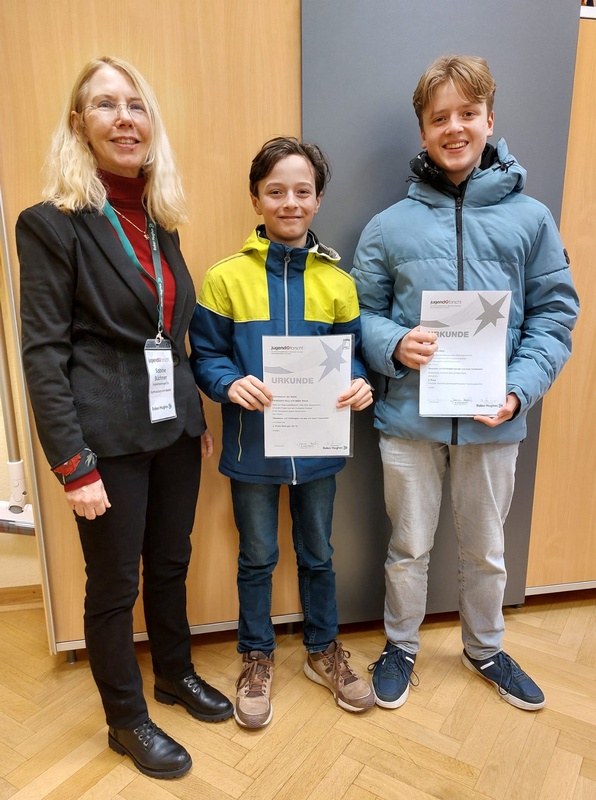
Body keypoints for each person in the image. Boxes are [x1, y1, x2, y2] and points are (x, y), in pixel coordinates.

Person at [16, 56, 233, 780]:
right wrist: (72, 465)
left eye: (135, 105)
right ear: (80, 124)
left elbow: (171, 333)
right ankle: (126, 719)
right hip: (104, 440)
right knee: (114, 586)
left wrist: (196, 416)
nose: (124, 118)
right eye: (106, 105)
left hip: (174, 432)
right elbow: (43, 355)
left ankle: (174, 673)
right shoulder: (50, 225)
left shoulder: (158, 221)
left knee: (170, 562)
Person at [351, 55, 579, 712]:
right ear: (423, 130)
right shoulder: (388, 226)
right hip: (408, 420)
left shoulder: (532, 219)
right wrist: (394, 344)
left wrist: (518, 390)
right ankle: (400, 646)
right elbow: (356, 314)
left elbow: (555, 314)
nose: (454, 127)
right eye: (439, 117)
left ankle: (485, 648)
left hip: (493, 419)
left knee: (486, 550)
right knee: (407, 547)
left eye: (467, 114)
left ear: (489, 120)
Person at [189, 137, 375, 728]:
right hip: (253, 451)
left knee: (319, 554)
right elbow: (205, 355)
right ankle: (256, 656)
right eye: (276, 191)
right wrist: (227, 383)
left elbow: (353, 356)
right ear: (256, 198)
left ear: (318, 200)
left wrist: (361, 382)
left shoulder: (338, 282)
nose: (289, 202)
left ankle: (323, 650)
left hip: (318, 451)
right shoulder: (225, 278)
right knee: (258, 557)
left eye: (302, 191)